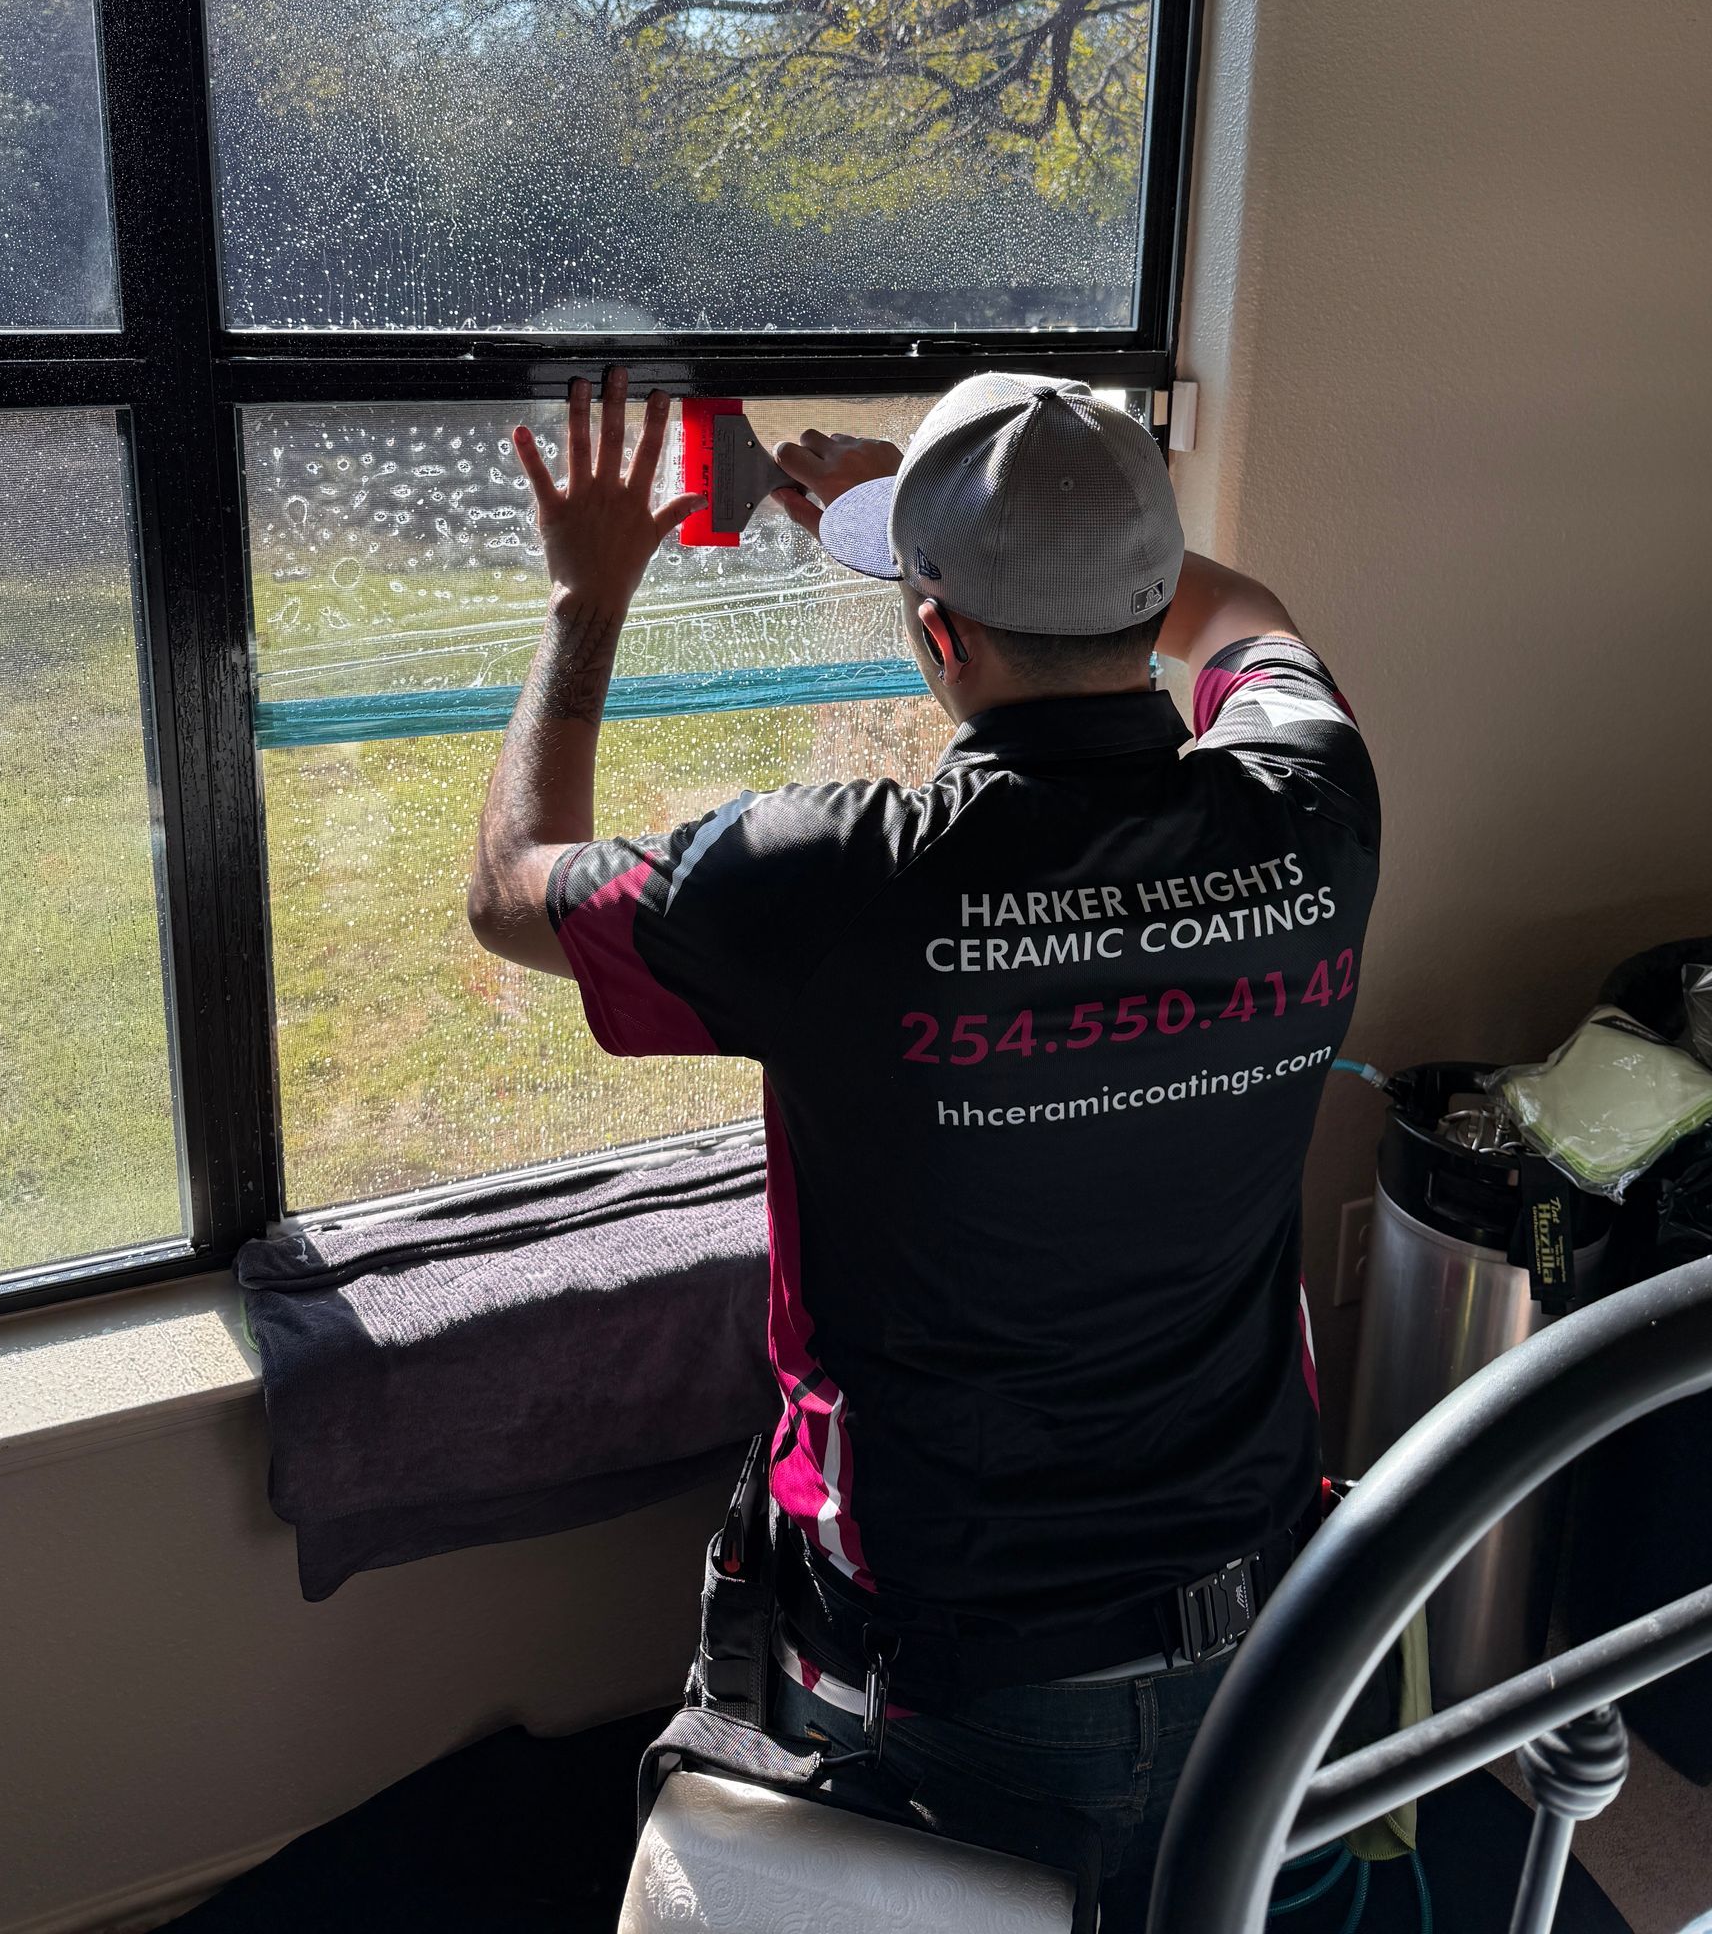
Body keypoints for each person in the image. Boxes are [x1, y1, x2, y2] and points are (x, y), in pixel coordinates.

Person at [469, 364, 1380, 1921]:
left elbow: (511, 886)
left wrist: (586, 599)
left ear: (934, 631)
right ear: (1144, 587)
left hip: (967, 1682)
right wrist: (950, 501)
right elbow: (1244, 608)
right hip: (1273, 1635)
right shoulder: (1315, 803)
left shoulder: (833, 883)